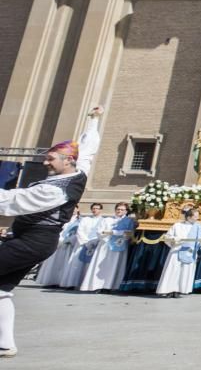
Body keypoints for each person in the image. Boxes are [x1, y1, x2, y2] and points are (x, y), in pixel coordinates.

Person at [0, 107, 102, 356]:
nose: (45, 162)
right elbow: (87, 149)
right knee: (1, 290)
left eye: (51, 159)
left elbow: (14, 200)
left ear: (67, 161)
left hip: (34, 241)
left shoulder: (56, 190)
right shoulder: (79, 170)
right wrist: (94, 121)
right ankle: (5, 344)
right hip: (33, 240)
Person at [80, 202, 136, 293]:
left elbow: (129, 233)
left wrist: (113, 233)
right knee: (99, 266)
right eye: (118, 209)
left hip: (118, 246)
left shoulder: (129, 221)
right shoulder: (107, 220)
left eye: (122, 210)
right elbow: (99, 231)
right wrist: (106, 236)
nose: (119, 211)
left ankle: (109, 286)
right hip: (104, 245)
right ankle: (96, 286)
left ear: (126, 211)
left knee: (113, 266)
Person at [156, 207, 201, 297]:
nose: (197, 218)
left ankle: (179, 290)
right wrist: (175, 240)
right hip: (177, 251)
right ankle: (168, 290)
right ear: (188, 217)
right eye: (195, 216)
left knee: (184, 272)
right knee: (173, 270)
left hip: (190, 252)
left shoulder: (198, 226)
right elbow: (168, 237)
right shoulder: (177, 225)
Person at [35, 207, 80, 288]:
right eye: (72, 208)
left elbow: (78, 233)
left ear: (78, 210)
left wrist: (68, 240)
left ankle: (63, 283)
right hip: (59, 243)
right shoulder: (63, 219)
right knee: (55, 264)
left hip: (68, 244)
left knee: (65, 264)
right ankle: (52, 281)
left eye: (75, 209)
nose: (73, 210)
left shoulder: (79, 221)